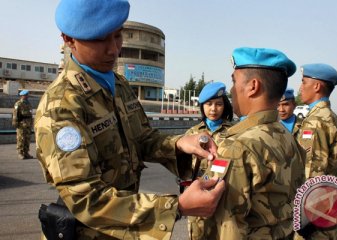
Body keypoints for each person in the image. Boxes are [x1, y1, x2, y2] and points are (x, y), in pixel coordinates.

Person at [34, 0, 225, 239]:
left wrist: (180, 143)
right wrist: (178, 207)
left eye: (117, 36)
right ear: (68, 40)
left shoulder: (119, 85)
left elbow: (142, 139)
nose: (114, 49)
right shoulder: (61, 106)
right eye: (100, 40)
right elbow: (84, 198)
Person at [199, 47, 305, 239]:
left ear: (253, 86)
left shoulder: (238, 146)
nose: (231, 90)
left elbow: (228, 226)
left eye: (234, 81)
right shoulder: (288, 136)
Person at [294, 63, 337, 240]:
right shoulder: (334, 120)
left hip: (314, 217)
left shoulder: (315, 122)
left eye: (303, 82)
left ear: (316, 86)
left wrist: (304, 221)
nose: (300, 87)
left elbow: (312, 172)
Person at [184, 82, 233, 239]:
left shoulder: (233, 132)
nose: (213, 109)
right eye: (209, 104)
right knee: (197, 234)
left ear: (225, 106)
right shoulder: (192, 133)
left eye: (218, 104)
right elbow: (182, 164)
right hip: (198, 191)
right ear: (202, 106)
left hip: (224, 193)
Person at [12, 89, 33, 160]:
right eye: (25, 95)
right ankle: (20, 153)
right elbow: (15, 114)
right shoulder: (18, 104)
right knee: (21, 139)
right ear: (22, 96)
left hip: (28, 124)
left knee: (27, 139)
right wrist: (15, 122)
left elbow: (30, 114)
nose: (27, 96)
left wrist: (31, 123)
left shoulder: (28, 103)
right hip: (21, 124)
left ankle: (26, 153)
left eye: (27, 95)